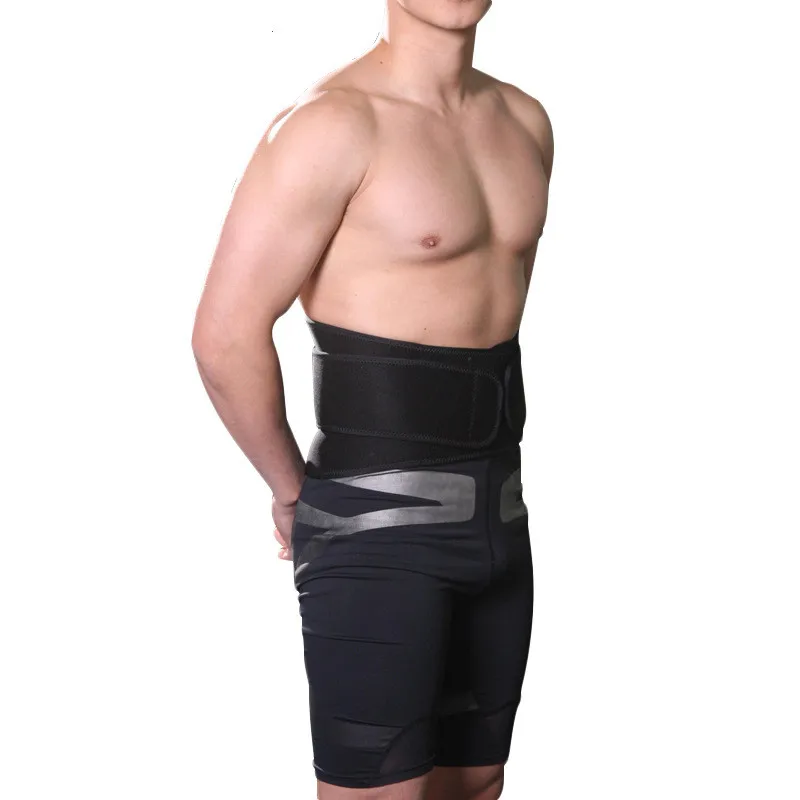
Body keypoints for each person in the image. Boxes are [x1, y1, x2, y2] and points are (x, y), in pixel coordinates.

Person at [192, 1, 553, 796]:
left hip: (501, 520)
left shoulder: (525, 121)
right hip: (376, 532)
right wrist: (291, 490)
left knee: (477, 783)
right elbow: (224, 334)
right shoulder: (332, 128)